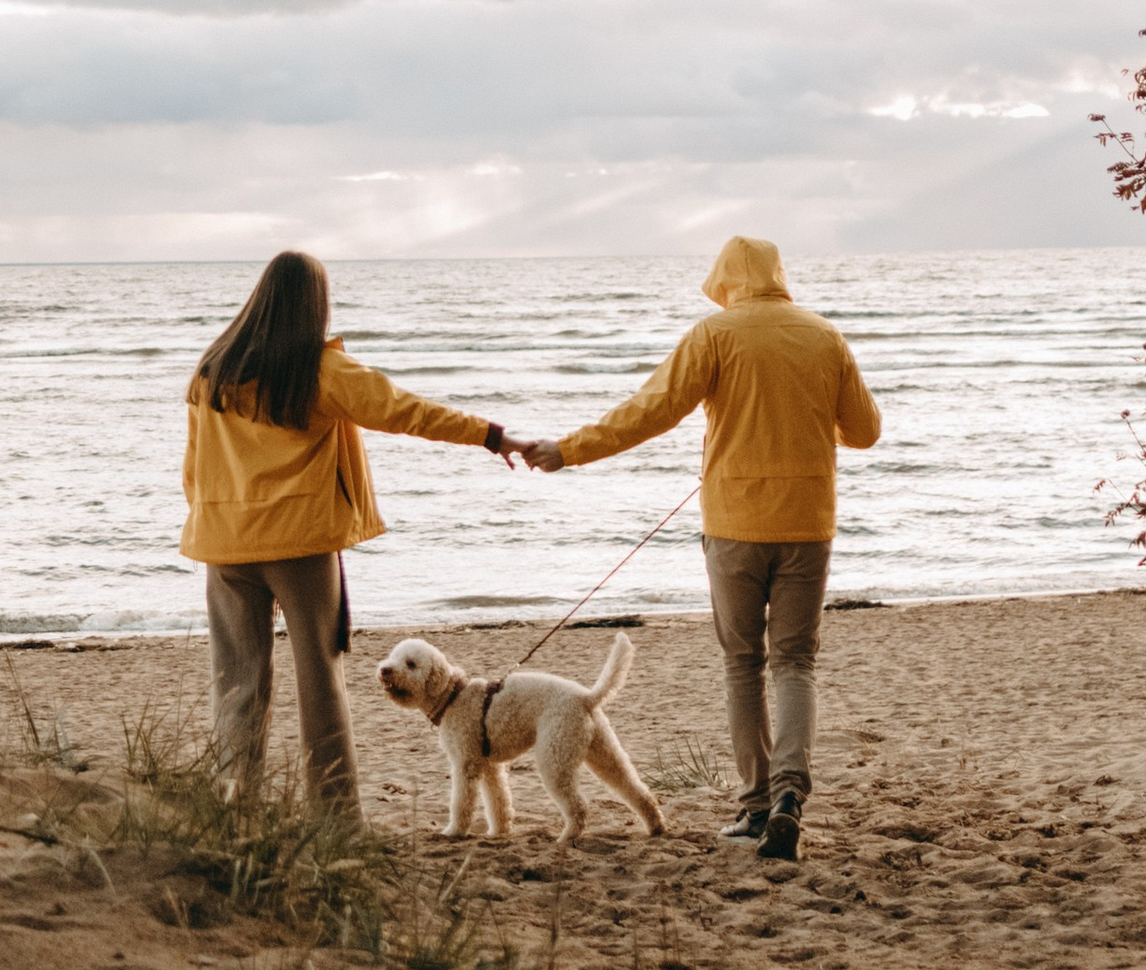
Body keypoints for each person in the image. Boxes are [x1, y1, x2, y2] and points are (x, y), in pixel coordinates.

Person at [529, 235, 879, 864]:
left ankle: (754, 805)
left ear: (726, 282)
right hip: (807, 522)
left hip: (735, 524)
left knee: (742, 662)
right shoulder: (824, 336)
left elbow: (651, 411)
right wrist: (802, 419)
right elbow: (866, 431)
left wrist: (570, 449)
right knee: (795, 662)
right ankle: (789, 800)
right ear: (778, 274)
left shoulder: (714, 334)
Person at [182, 248, 522, 803]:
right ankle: (334, 822)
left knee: (237, 690)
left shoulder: (212, 371)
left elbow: (193, 470)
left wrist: (216, 520)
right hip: (301, 546)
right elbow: (407, 411)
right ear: (315, 305)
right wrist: (491, 435)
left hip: (224, 545)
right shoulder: (317, 370)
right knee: (321, 683)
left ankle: (232, 811)